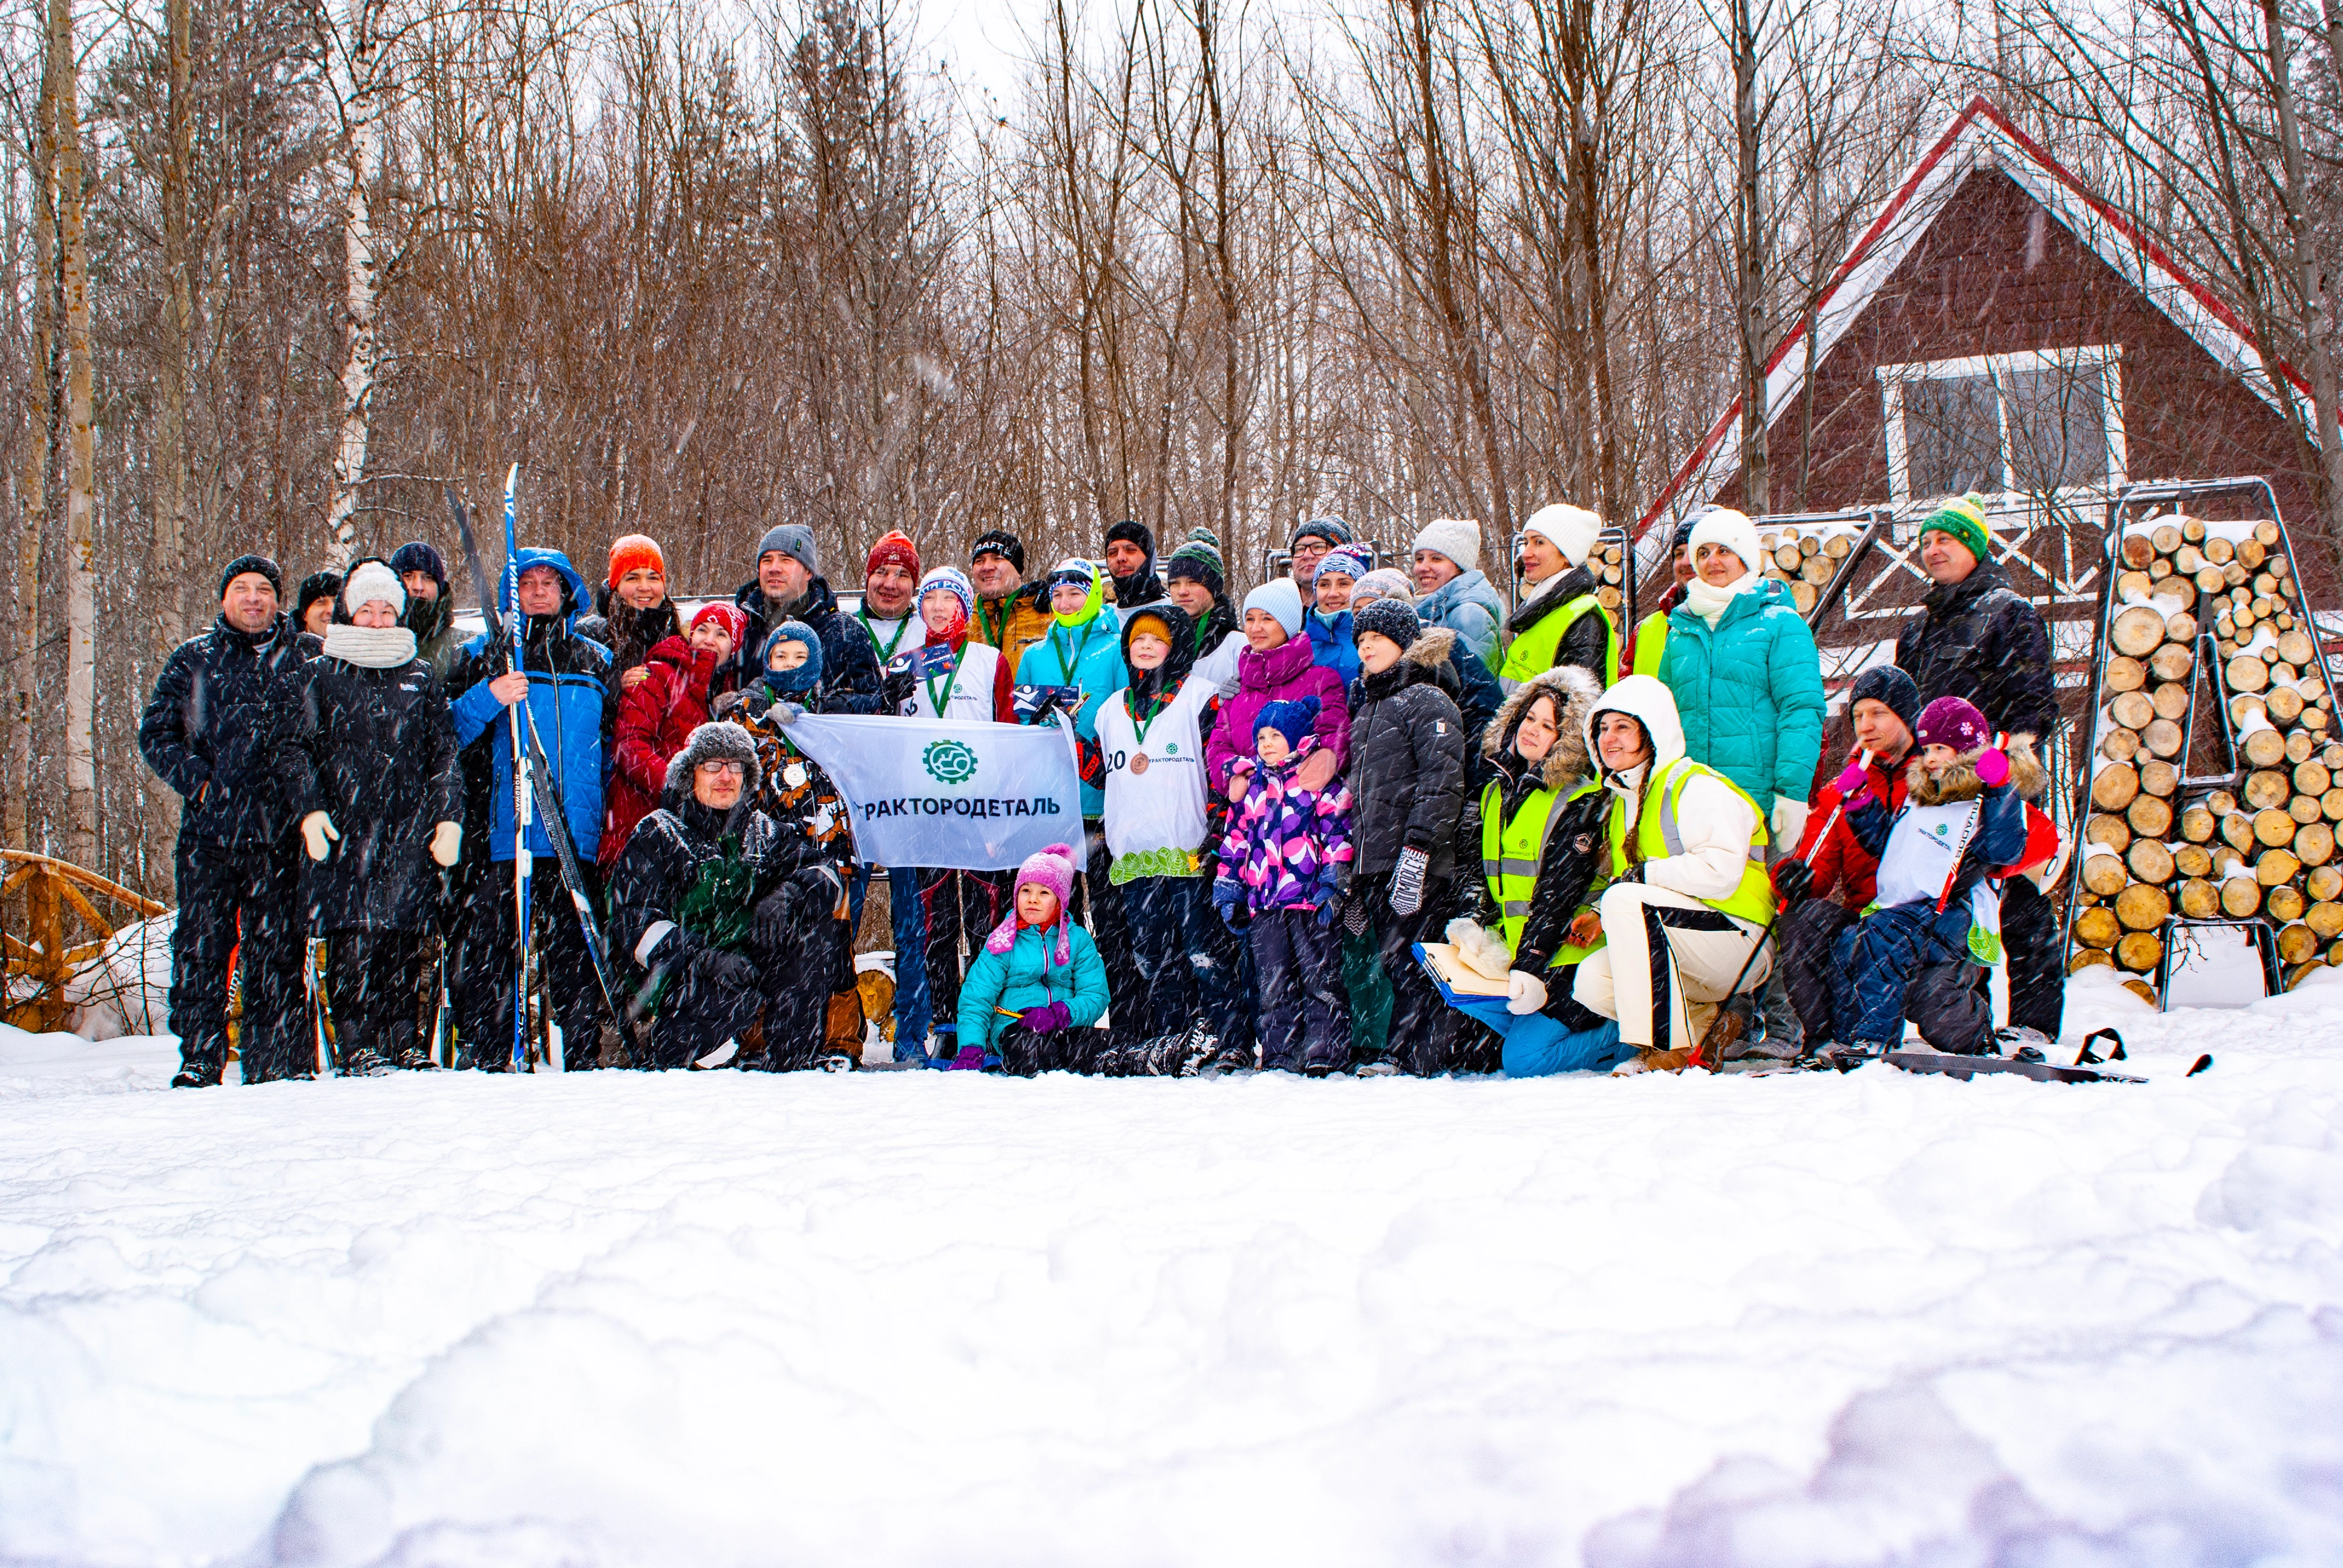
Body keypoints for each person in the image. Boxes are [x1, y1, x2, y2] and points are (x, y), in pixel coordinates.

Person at [1632, 506, 1824, 1050]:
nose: (1714, 562)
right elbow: (1663, 719)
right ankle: (1732, 1022)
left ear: (1748, 556)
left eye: (1724, 551)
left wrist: (1791, 791)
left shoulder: (1780, 624)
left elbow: (1802, 709)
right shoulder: (1679, 630)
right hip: (1697, 798)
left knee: (1770, 904)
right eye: (1704, 553)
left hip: (1759, 789)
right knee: (1716, 900)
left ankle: (1787, 1026)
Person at [278, 559, 463, 1075]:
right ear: (348, 614)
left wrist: (449, 817)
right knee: (354, 943)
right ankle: (358, 1044)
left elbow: (442, 751)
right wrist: (309, 810)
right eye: (367, 610)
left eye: (388, 610)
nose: (379, 621)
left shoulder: (419, 674)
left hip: (408, 830)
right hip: (344, 831)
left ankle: (404, 1040)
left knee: (403, 942)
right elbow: (293, 749)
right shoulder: (319, 672)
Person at [1890, 494, 2063, 1042]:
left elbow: (2036, 701)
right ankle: (1972, 1019)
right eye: (1926, 541)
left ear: (1974, 545)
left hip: (1997, 782)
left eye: (1946, 539)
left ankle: (2035, 1023)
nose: (1933, 550)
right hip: (1937, 788)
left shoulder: (2010, 611)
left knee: (2018, 900)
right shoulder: (1917, 628)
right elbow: (1907, 709)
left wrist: (2006, 759)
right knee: (1956, 906)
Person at [140, 554, 309, 1086]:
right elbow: (156, 735)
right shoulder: (193, 659)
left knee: (277, 949)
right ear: (224, 599)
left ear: (279, 600)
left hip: (281, 837)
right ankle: (199, 1056)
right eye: (242, 588)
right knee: (201, 946)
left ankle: (270, 1060)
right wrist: (202, 782)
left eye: (264, 589)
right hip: (209, 836)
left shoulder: (306, 656)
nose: (254, 598)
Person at [605, 721, 854, 1072]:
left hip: (747, 960)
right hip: (678, 974)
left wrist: (786, 895)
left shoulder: (763, 831)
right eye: (712, 766)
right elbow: (635, 922)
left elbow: (826, 873)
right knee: (729, 997)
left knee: (815, 933)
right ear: (690, 774)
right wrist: (704, 958)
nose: (725, 776)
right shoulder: (658, 832)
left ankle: (793, 1062)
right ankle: (669, 1056)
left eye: (735, 766)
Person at [1771, 665, 1994, 1055]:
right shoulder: (1843, 791)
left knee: (1935, 1008)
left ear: (1907, 717)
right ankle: (1830, 1040)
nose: (1865, 725)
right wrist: (1794, 875)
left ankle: (1976, 1029)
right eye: (1858, 716)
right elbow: (1818, 866)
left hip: (1935, 919)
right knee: (1802, 921)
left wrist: (1984, 863)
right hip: (1869, 922)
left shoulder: (1944, 771)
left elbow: (2034, 836)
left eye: (1878, 713)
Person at [445, 549, 611, 1071]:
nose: (539, 591)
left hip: (574, 830)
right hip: (506, 829)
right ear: (511, 594)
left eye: (550, 583)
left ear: (568, 594)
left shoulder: (595, 658)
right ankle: (491, 1054)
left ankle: (582, 1052)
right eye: (528, 583)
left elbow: (611, 746)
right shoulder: (483, 654)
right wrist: (490, 696)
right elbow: (447, 734)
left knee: (575, 953)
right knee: (496, 950)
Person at [1565, 675, 1777, 1074]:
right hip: (1689, 936)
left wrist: (1637, 881)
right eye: (1603, 728)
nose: (1610, 738)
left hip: (1742, 935)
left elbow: (1720, 873)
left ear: (1653, 731)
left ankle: (1665, 1050)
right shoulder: (1625, 800)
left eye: (1623, 727)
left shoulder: (1695, 786)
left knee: (1625, 901)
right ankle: (1705, 1027)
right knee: (1592, 980)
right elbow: (1635, 882)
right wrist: (1600, 912)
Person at [1820, 696, 2037, 1062]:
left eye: (1942, 748)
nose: (1932, 757)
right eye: (1928, 748)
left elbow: (2004, 848)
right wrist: (1860, 801)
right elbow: (1891, 845)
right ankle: (1852, 1039)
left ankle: (1886, 1037)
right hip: (1903, 906)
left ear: (1967, 749)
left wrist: (2000, 787)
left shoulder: (1982, 795)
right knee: (1853, 947)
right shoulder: (1922, 795)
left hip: (1952, 909)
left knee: (1899, 956)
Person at [1447, 664, 1628, 1076]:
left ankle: (1634, 1037)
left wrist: (1531, 966)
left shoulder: (1581, 799)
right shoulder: (1496, 793)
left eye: (1548, 726)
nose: (1532, 730)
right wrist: (1474, 922)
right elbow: (1485, 875)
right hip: (1529, 953)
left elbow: (1558, 895)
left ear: (1566, 739)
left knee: (1523, 1061)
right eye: (1529, 718)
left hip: (1571, 957)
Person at [1097, 603, 1240, 1073]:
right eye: (1137, 639)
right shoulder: (1108, 710)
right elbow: (1102, 775)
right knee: (1152, 959)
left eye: (1156, 639)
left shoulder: (1202, 698)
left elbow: (1219, 771)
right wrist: (1054, 727)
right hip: (1135, 856)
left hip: (1188, 852)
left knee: (1204, 955)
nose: (1145, 646)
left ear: (1175, 648)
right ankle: (1171, 1041)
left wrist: (1218, 831)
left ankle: (1226, 1038)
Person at [889, 567, 1016, 1061]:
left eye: (951, 599)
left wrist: (1003, 813)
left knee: (987, 920)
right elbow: (889, 737)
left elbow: (1008, 736)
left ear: (965, 607)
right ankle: (945, 1021)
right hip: (924, 812)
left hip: (980, 810)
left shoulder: (990, 661)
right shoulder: (905, 663)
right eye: (932, 599)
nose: (940, 608)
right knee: (936, 925)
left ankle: (982, 1022)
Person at [735, 621, 868, 1063]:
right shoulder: (746, 714)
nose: (789, 667)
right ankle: (757, 1037)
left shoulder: (835, 714)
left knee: (835, 949)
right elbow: (734, 782)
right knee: (768, 943)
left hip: (832, 849)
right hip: (771, 854)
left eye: (799, 658)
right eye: (780, 657)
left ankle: (839, 1041)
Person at [1345, 601, 1469, 1076]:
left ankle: (1417, 1055)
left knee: (1415, 962)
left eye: (1376, 636)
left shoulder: (1427, 700)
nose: (1366, 646)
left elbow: (1441, 781)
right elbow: (1362, 795)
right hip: (1375, 863)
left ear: (1404, 641)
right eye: (1360, 640)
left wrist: (1417, 852)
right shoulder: (1369, 706)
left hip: (1416, 861)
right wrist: (1356, 873)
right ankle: (1395, 1050)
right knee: (1386, 961)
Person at [1213, 697, 1354, 1074]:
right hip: (1265, 902)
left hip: (1308, 899)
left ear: (1296, 738)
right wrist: (1229, 889)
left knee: (1319, 978)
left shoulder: (1317, 780)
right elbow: (1235, 840)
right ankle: (1279, 1055)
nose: (1267, 744)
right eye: (1261, 737)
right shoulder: (1252, 786)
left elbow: (1338, 834)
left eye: (1276, 735)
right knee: (1273, 983)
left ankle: (1324, 1052)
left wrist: (1333, 884)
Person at [1015, 558, 1135, 998]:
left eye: (1076, 593)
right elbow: (1021, 726)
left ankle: (1124, 1014)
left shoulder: (1114, 646)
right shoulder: (1035, 654)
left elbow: (1125, 711)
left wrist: (1085, 734)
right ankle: (1049, 1012)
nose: (1065, 602)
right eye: (1058, 594)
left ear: (1094, 595)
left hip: (1099, 802)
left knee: (1109, 917)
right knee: (1049, 917)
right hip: (1051, 804)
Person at [601, 603, 742, 869]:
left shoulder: (732, 697)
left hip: (692, 845)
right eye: (702, 630)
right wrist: (677, 786)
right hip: (641, 829)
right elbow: (629, 745)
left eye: (722, 634)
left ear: (734, 647)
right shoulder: (658, 674)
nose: (709, 640)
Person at [952, 841, 1110, 1074]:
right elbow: (976, 999)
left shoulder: (1078, 940)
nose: (1032, 899)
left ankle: (1165, 1055)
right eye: (1026, 891)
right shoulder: (1003, 941)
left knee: (1109, 1046)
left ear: (1060, 902)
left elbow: (1095, 995)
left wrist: (1062, 1014)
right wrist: (971, 1047)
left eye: (1044, 893)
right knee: (1032, 1052)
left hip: (1067, 1027)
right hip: (1016, 1029)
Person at [1205, 578, 1349, 802]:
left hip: (1304, 812)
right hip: (1248, 815)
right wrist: (1238, 775)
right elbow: (1219, 745)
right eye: (1250, 619)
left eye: (1267, 619)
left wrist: (1320, 764)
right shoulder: (1238, 690)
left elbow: (1335, 734)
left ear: (1288, 625)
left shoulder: (1322, 680)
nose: (1255, 628)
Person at [719, 523, 882, 715]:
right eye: (766, 560)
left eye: (786, 560)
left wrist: (831, 706)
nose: (774, 568)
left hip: (818, 742)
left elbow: (873, 697)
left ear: (809, 572)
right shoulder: (737, 625)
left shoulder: (845, 631)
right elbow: (706, 687)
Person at [576, 534, 684, 746]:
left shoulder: (677, 636)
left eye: (653, 577)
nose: (644, 587)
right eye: (633, 578)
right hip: (609, 762)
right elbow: (579, 711)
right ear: (616, 584)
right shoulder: (591, 635)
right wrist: (618, 688)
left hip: (662, 761)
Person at [1498, 503, 1616, 688]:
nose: (1526, 553)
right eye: (1526, 542)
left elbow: (1577, 706)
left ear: (1567, 555)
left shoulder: (1584, 619)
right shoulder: (1542, 608)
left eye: (1539, 542)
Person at [1409, 517, 1504, 673]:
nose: (1423, 567)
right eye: (1420, 559)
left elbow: (1474, 688)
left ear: (1460, 567)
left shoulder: (1469, 615)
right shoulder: (1435, 609)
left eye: (1436, 559)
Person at [1163, 530, 1244, 696]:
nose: (1183, 591)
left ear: (1214, 587)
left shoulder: (1238, 646)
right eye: (1175, 583)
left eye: (1193, 582)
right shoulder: (1159, 640)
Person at [968, 528, 1052, 672]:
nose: (987, 567)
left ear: (1018, 569)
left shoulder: (1048, 613)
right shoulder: (964, 619)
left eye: (998, 558)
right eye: (979, 561)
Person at [1621, 518, 1696, 675]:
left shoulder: (1748, 624)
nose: (1686, 562)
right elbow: (1624, 694)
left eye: (1697, 553)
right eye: (1679, 554)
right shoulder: (1645, 629)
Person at [389, 542, 463, 685]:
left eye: (428, 578)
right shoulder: (374, 639)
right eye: (408, 576)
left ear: (440, 588)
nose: (418, 587)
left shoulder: (463, 645)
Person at [854, 529, 925, 671]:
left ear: (913, 587)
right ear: (868, 581)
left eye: (902, 575)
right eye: (881, 572)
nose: (890, 584)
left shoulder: (928, 632)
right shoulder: (842, 630)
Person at [1305, 543, 1370, 689]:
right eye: (1324, 585)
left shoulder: (1373, 639)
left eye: (1343, 584)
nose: (1333, 593)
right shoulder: (1301, 644)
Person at [1103, 518, 1165, 608]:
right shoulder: (1105, 618)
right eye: (1113, 553)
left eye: (1131, 550)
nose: (1120, 558)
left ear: (1149, 557)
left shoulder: (1176, 611)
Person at [1287, 516, 1352, 593]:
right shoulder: (1276, 601)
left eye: (1318, 547)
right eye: (1300, 549)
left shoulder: (1362, 602)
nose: (1306, 555)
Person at [295, 570, 341, 643]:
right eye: (321, 602)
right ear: (304, 614)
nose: (332, 610)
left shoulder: (361, 649)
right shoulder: (282, 651)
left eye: (337, 602)